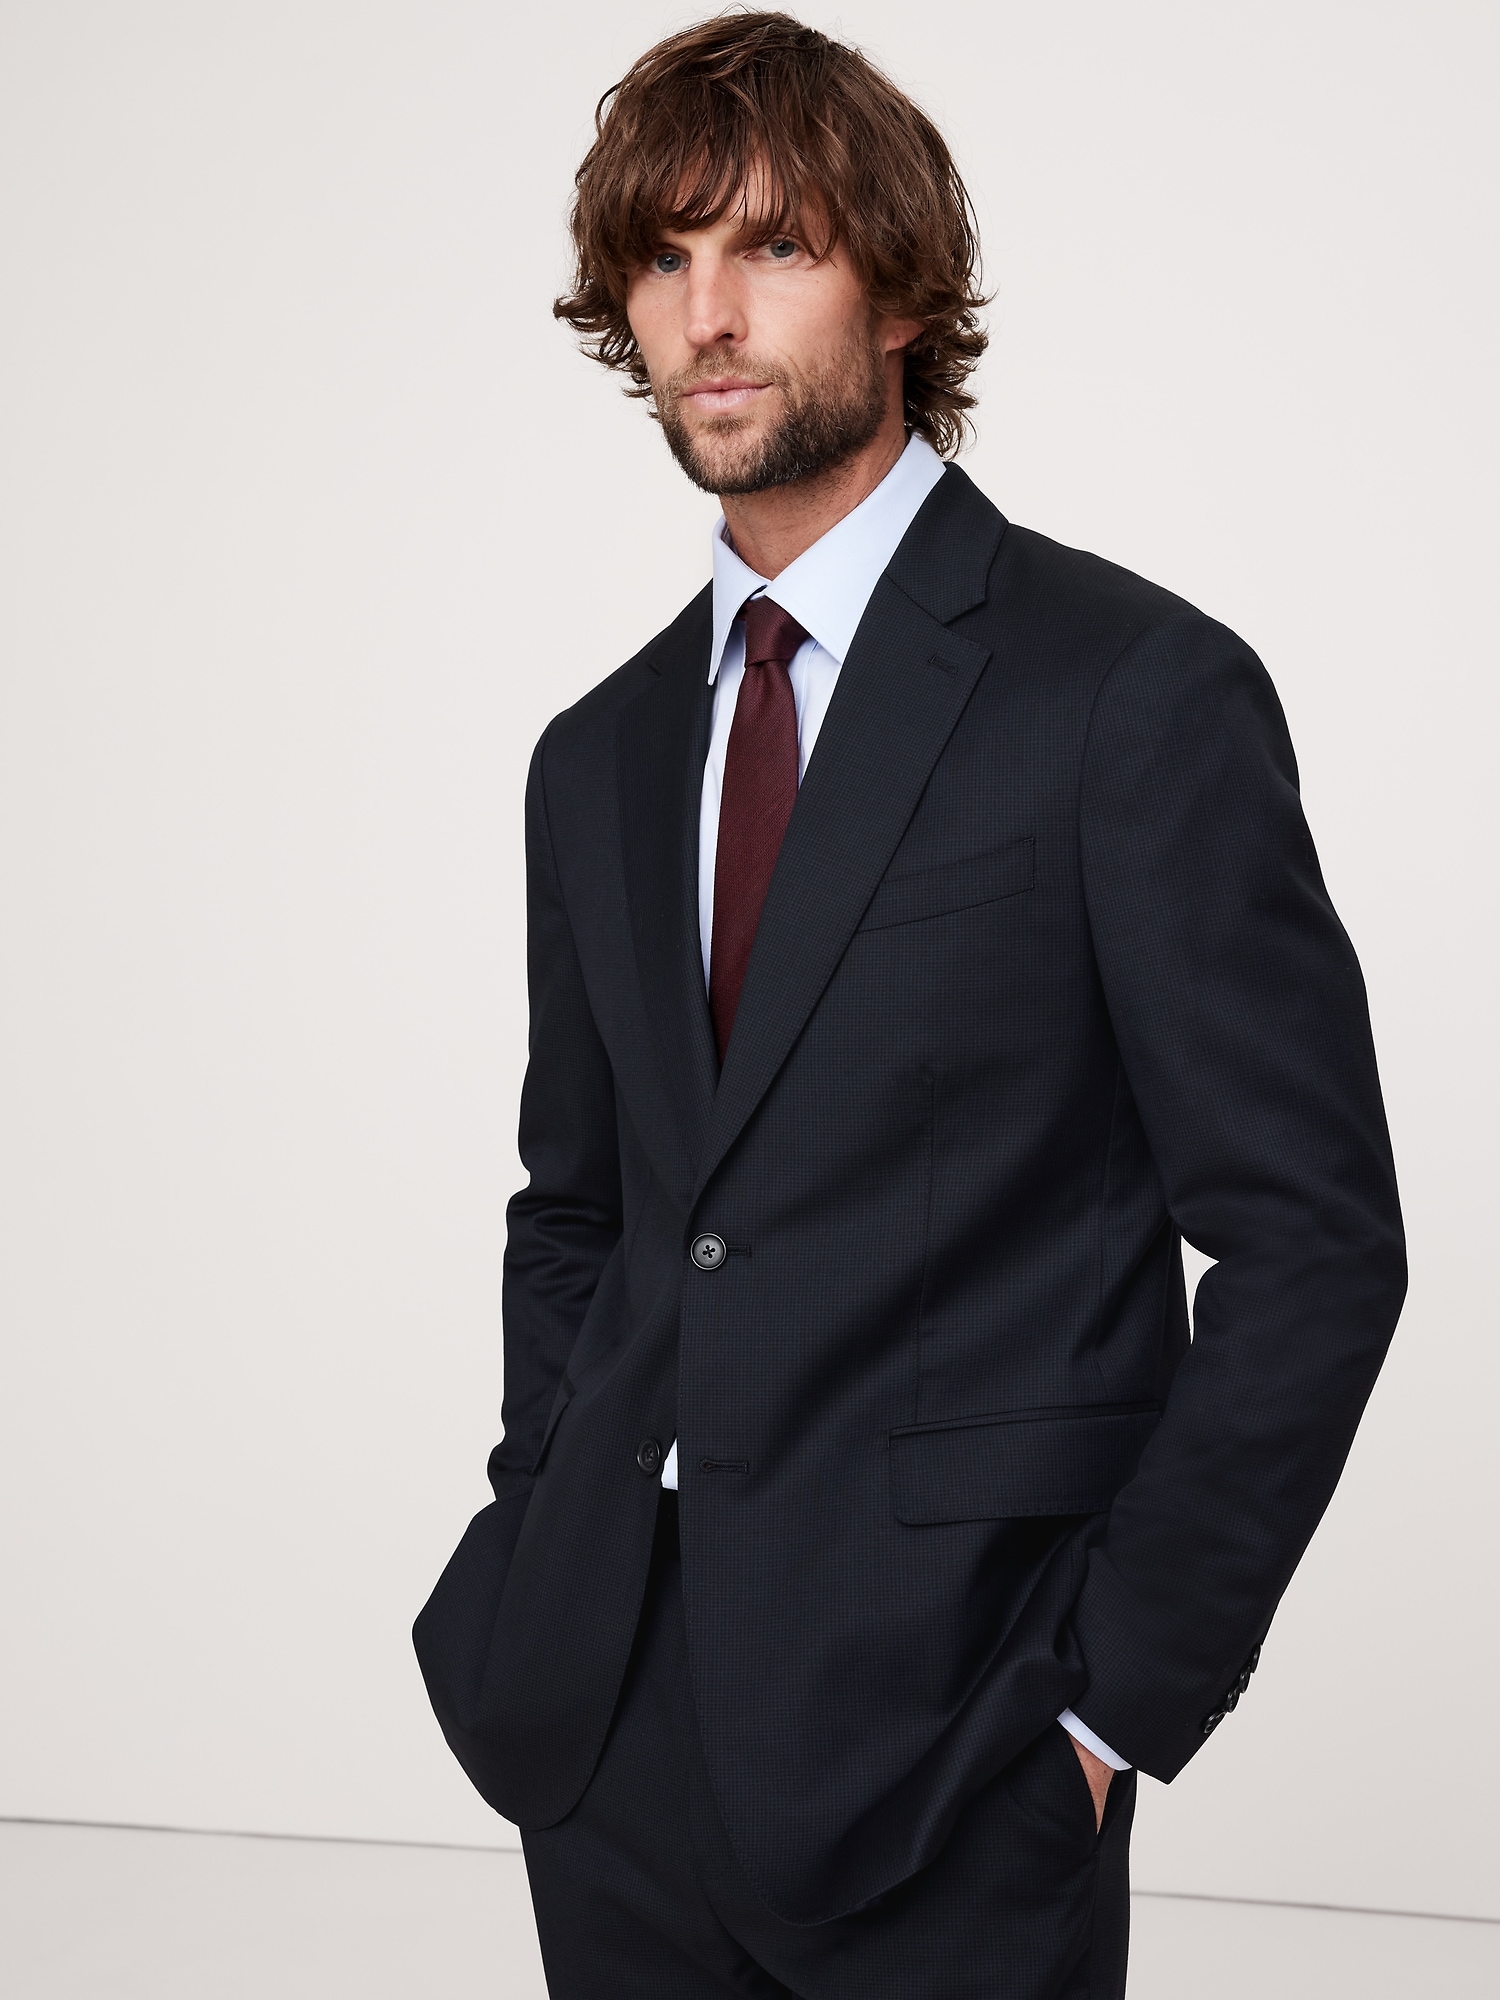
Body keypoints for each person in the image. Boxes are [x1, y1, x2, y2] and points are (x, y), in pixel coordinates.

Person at [414, 14, 1406, 1996]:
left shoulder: (1130, 694)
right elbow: (584, 1208)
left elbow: (1313, 1242)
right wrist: (543, 1519)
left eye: (772, 246)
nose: (708, 314)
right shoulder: (597, 756)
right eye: (664, 257)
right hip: (606, 1727)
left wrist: (1112, 1709)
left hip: (962, 1745)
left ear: (899, 291)